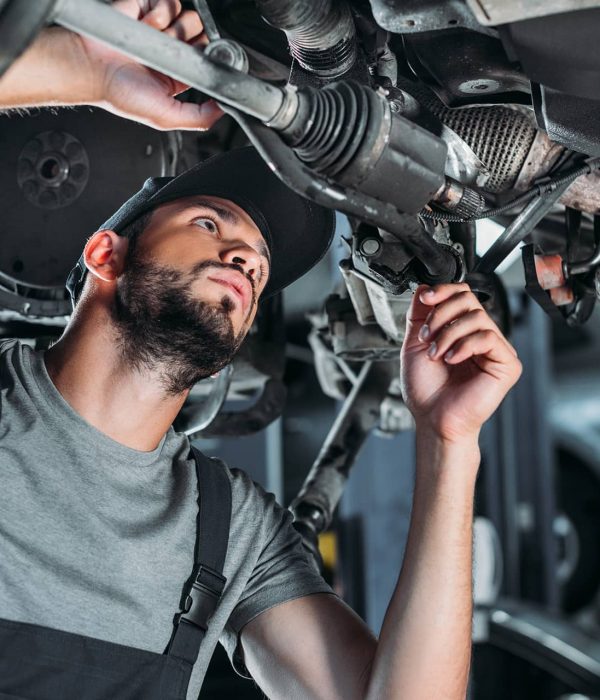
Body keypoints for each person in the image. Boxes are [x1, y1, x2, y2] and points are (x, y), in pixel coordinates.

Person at [0, 1, 523, 698]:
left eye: (257, 263)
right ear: (105, 252)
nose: (246, 257)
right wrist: (78, 69)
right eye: (211, 222)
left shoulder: (228, 530)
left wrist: (449, 443)